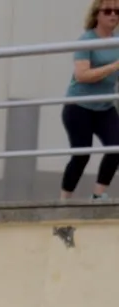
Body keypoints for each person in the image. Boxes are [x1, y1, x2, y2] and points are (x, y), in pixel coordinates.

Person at [61, 1, 119, 202]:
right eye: (108, 11)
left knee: (116, 147)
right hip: (79, 106)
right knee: (81, 155)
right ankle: (64, 201)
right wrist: (114, 66)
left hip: (104, 106)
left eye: (118, 11)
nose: (114, 15)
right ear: (97, 14)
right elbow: (82, 75)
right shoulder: (87, 40)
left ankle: (98, 194)